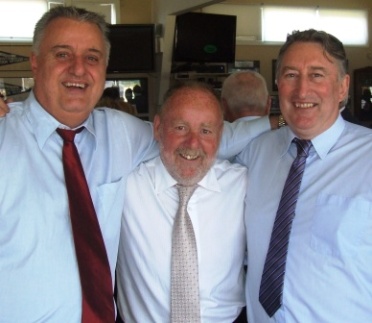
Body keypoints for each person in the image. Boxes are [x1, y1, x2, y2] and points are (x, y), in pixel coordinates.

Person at [0, 6, 276, 322]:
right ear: (35, 62)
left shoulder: (121, 133)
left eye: (91, 58)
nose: (78, 69)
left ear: (104, 67)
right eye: (62, 54)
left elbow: (194, 144)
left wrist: (285, 118)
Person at [236, 29, 372, 322]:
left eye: (317, 75)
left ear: (343, 87)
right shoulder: (256, 152)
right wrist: (271, 122)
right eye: (290, 75)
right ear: (277, 84)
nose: (301, 91)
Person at [116, 81, 248, 322]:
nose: (193, 143)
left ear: (220, 136)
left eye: (206, 131)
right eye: (180, 127)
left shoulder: (243, 185)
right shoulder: (125, 184)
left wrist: (280, 121)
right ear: (157, 128)